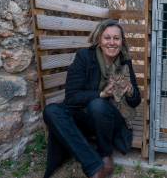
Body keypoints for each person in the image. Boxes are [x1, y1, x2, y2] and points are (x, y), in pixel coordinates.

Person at [42, 20, 141, 178]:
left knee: (98, 105)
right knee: (51, 110)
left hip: (113, 119)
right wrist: (102, 94)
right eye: (107, 38)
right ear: (99, 40)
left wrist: (130, 92)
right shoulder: (84, 57)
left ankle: (104, 153)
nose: (112, 42)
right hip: (86, 116)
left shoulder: (125, 61)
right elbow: (72, 97)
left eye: (116, 38)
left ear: (122, 42)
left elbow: (136, 102)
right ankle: (94, 166)